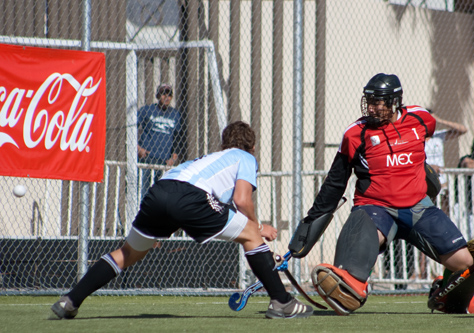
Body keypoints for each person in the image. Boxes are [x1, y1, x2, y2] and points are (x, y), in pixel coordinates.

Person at [51, 121, 313, 320]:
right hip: (189, 197)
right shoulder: (246, 157)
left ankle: (70, 300)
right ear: (253, 147)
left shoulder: (209, 159)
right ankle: (282, 302)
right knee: (251, 235)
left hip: (159, 190)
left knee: (128, 252)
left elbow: (184, 200)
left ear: (224, 143)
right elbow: (242, 200)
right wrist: (258, 227)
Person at [289, 73, 474, 315]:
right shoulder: (355, 134)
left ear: (394, 102)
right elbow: (334, 183)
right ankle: (352, 285)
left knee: (468, 263)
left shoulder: (421, 119)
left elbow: (421, 150)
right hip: (375, 208)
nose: (371, 107)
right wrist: (311, 222)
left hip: (419, 208)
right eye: (369, 101)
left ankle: (444, 292)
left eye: (378, 102)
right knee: (351, 271)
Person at [137, 83, 183, 198]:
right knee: (144, 193)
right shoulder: (147, 110)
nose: (166, 97)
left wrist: (173, 158)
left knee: (161, 195)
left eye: (169, 94)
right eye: (163, 94)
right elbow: (131, 130)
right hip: (148, 159)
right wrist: (139, 149)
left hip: (164, 161)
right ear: (158, 95)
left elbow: (179, 139)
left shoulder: (175, 115)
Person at [425, 109, 467, 188]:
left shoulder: (438, 136)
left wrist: (439, 120)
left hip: (440, 177)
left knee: (444, 195)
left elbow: (463, 129)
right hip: (425, 176)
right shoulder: (416, 138)